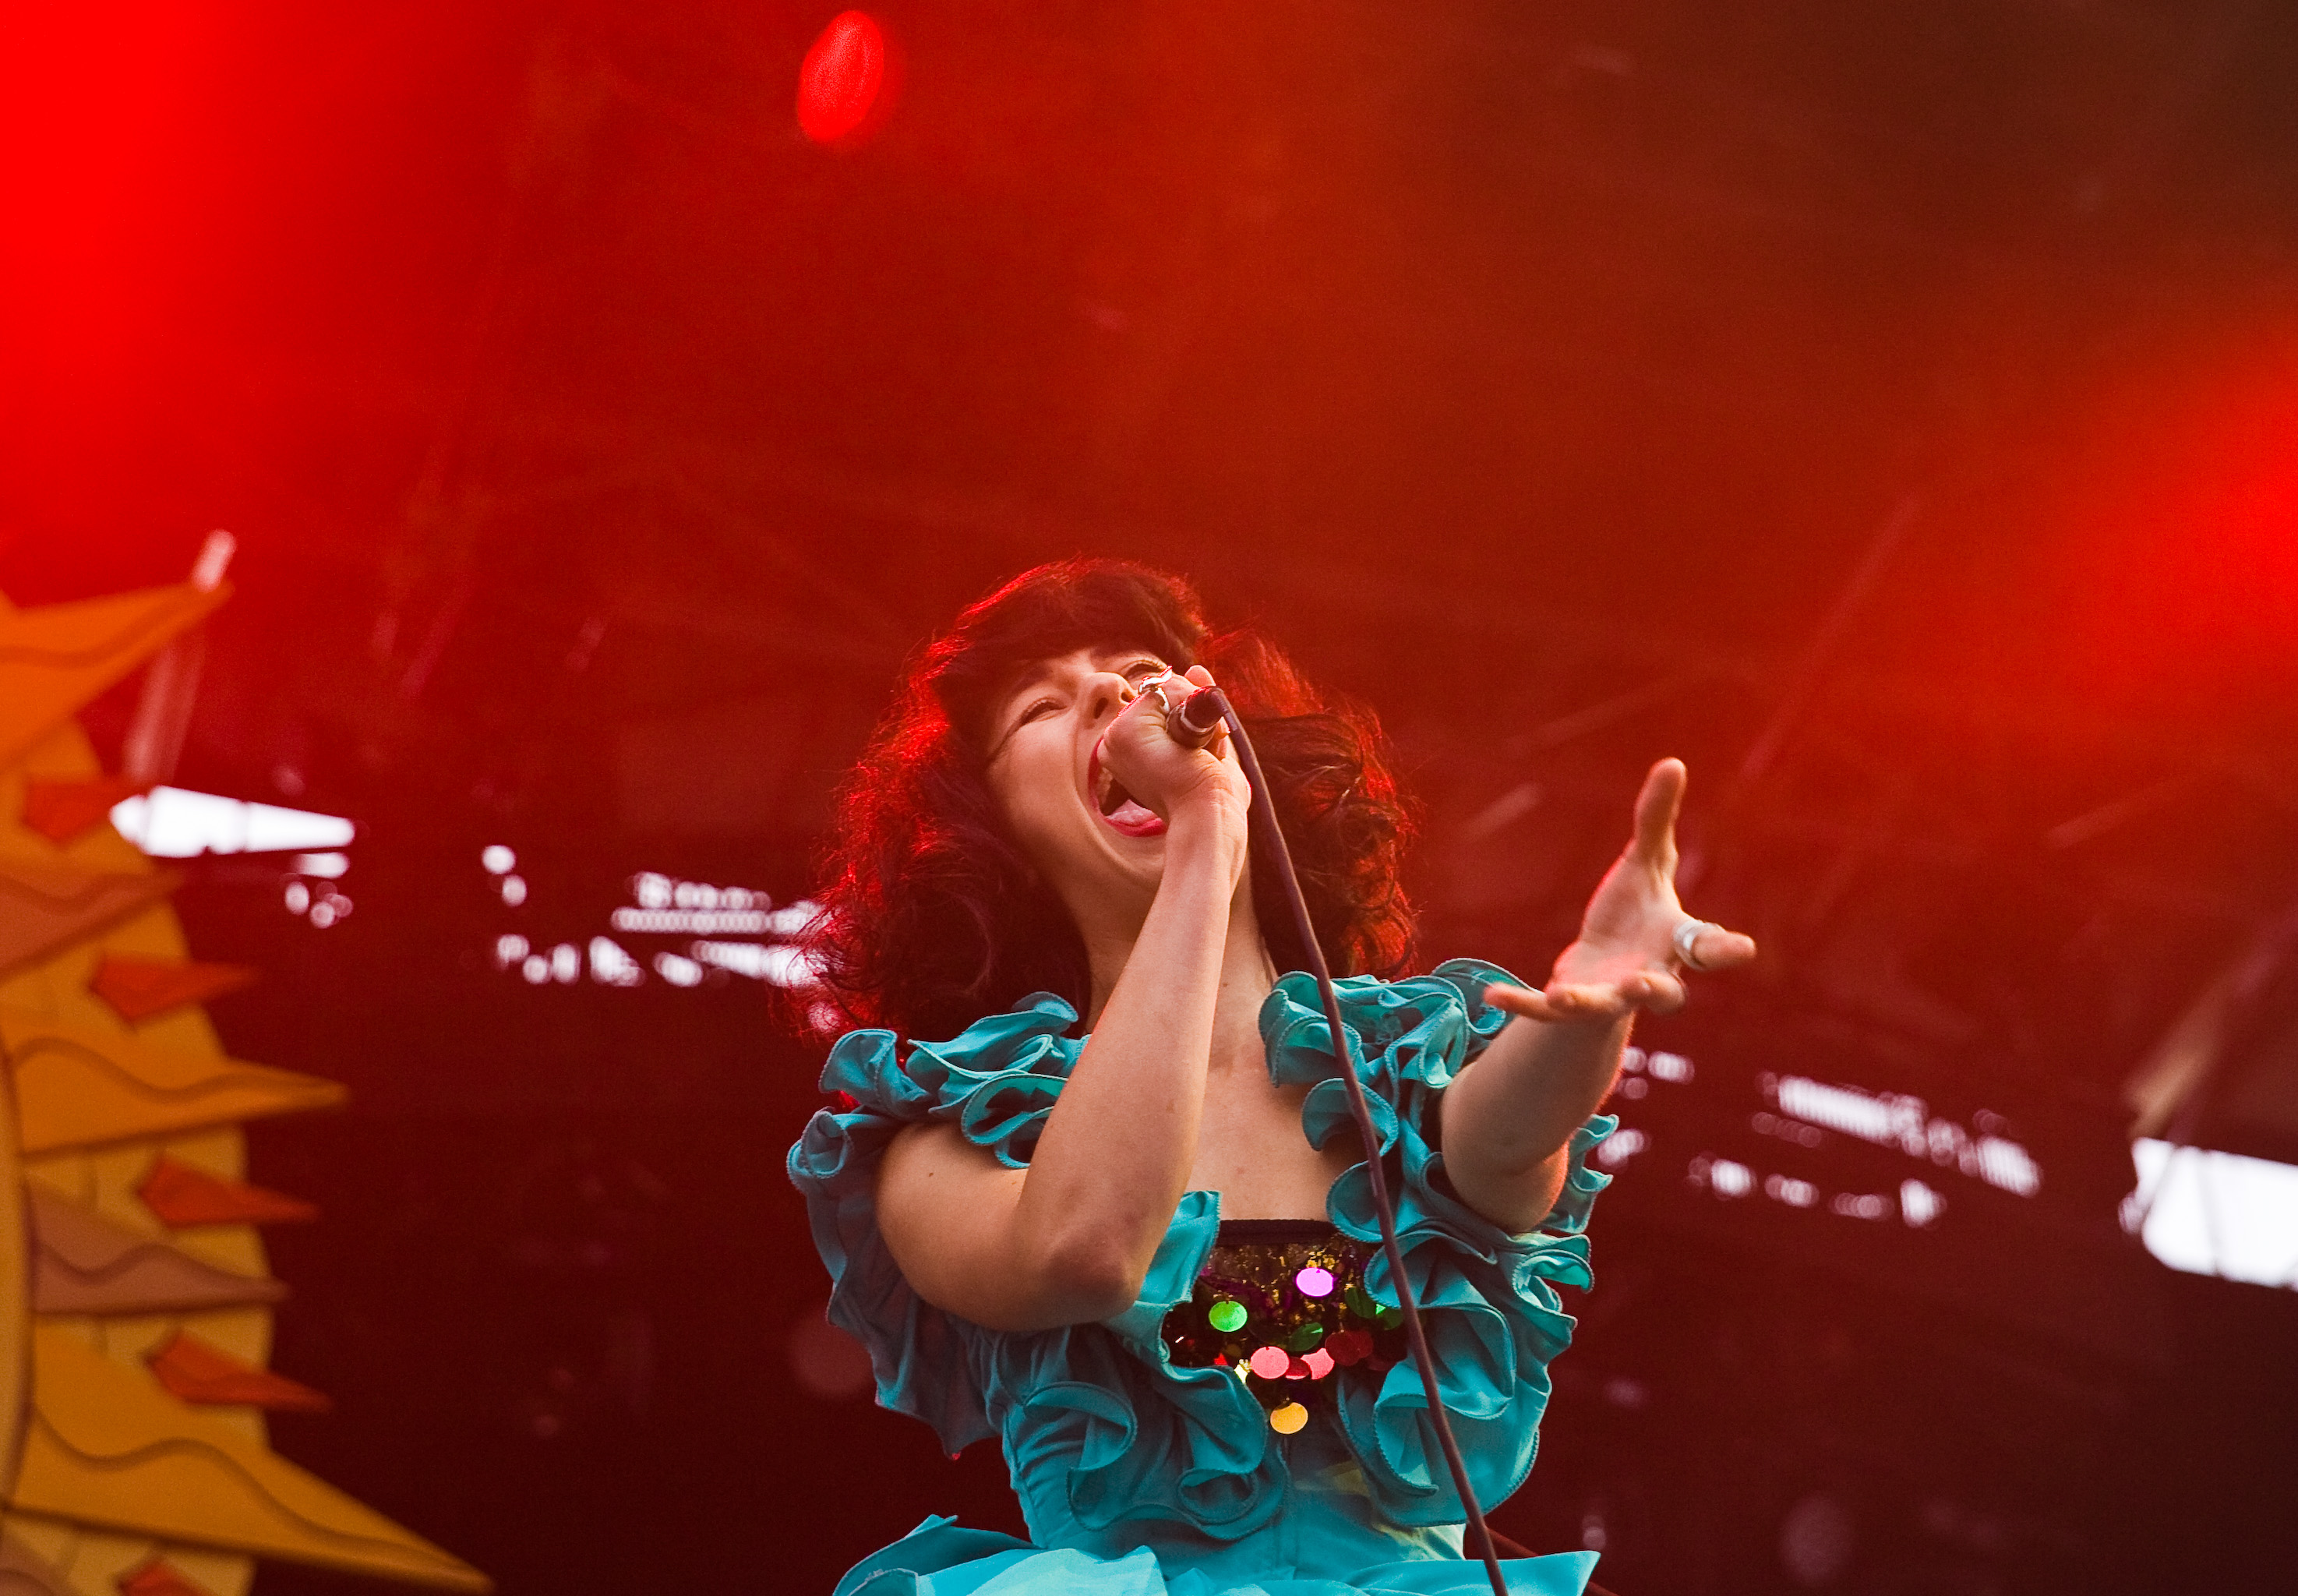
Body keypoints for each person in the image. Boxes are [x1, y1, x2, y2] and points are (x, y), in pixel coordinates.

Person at [788, 560, 1754, 1595]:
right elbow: (1085, 1251)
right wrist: (1203, 836)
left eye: (1140, 671)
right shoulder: (949, 1136)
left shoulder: (1391, 1064)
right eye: (1041, 706)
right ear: (992, 822)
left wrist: (1592, 1002)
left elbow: (1509, 1151)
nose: (1113, 695)